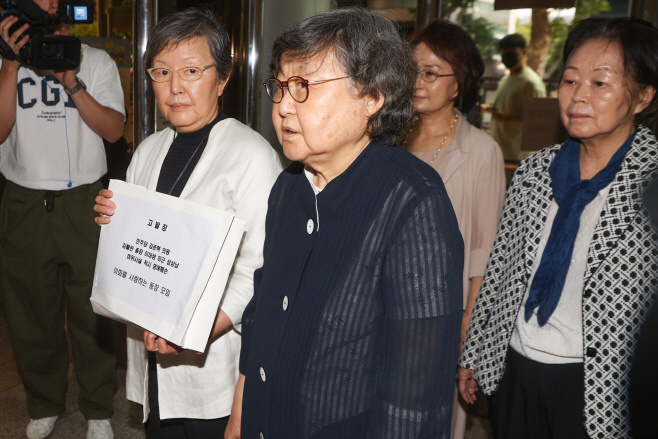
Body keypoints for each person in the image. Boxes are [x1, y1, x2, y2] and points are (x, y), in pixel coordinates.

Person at [234, 8, 464, 439]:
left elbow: (415, 398)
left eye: (303, 87)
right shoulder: (289, 187)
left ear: (372, 96)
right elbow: (263, 313)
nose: (283, 106)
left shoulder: (413, 201)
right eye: (280, 87)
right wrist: (240, 416)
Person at [458, 17, 658, 439]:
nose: (578, 96)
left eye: (600, 84)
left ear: (642, 96)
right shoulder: (535, 171)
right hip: (517, 369)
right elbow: (500, 270)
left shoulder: (652, 184)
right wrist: (475, 352)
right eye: (570, 81)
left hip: (604, 386)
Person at [93, 7, 282, 439]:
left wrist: (196, 327)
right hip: (151, 354)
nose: (175, 87)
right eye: (161, 72)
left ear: (223, 78)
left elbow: (261, 269)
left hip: (211, 361)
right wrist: (113, 223)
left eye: (191, 70)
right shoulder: (147, 150)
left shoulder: (251, 156)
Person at [0, 0, 125, 437]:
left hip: (84, 200)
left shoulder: (96, 60)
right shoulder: (4, 63)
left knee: (93, 310)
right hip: (24, 200)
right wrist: (11, 68)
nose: (49, 6)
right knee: (31, 310)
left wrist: (73, 85)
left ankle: (97, 408)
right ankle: (44, 401)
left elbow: (113, 130)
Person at [400, 19, 505, 439]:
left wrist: (469, 326)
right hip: (384, 305)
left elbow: (485, 249)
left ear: (458, 84)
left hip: (442, 316)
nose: (418, 81)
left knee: (435, 423)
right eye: (412, 70)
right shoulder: (386, 141)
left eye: (430, 72)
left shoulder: (481, 151)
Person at [488, 33, 546, 166]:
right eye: (503, 51)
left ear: (524, 52)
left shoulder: (531, 83)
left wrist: (506, 118)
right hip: (501, 155)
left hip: (519, 159)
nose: (506, 54)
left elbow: (538, 122)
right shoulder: (505, 80)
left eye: (512, 51)